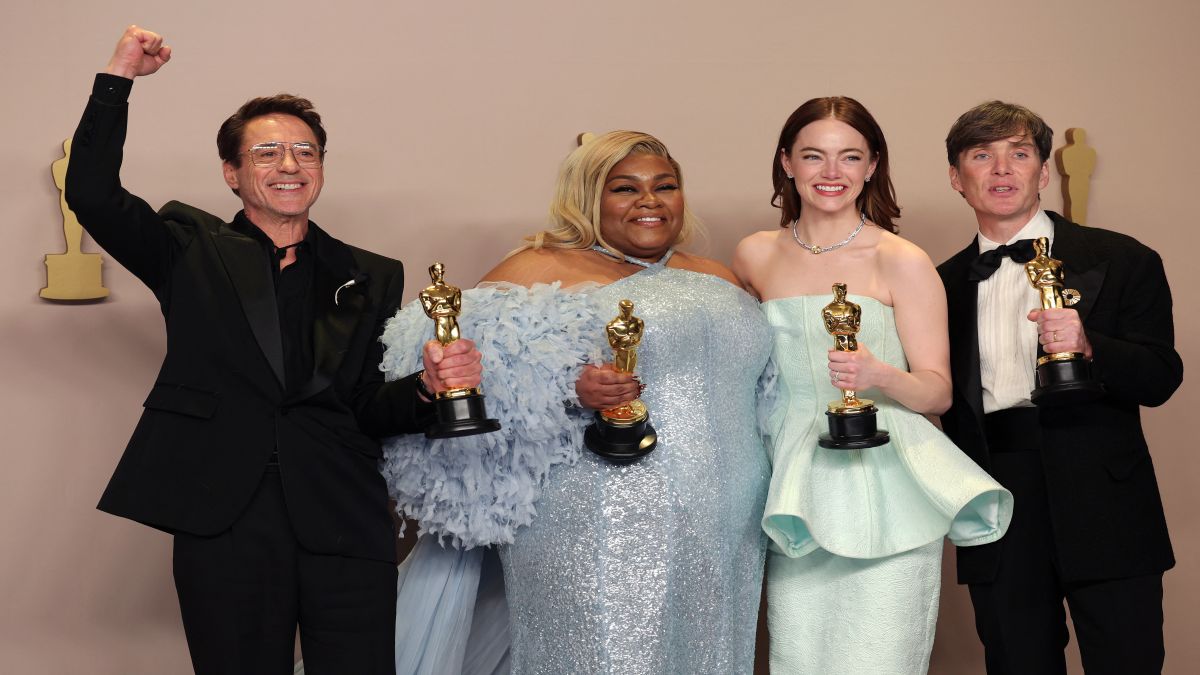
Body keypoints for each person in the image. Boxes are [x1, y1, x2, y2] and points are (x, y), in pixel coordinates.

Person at [64, 25, 482, 675]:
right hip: (223, 518)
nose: (289, 164)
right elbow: (91, 193)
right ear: (232, 172)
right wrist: (118, 78)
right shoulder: (187, 249)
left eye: (304, 151)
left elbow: (367, 405)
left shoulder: (372, 273)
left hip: (345, 519)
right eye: (268, 153)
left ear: (319, 167)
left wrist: (428, 389)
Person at [380, 130, 772, 674]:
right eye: (624, 188)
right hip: (593, 517)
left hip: (726, 517)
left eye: (665, 185)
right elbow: (457, 376)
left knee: (710, 653)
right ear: (588, 197)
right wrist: (567, 387)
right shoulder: (538, 268)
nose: (650, 201)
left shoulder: (715, 276)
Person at [733, 97, 1013, 673]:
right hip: (794, 482)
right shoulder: (754, 255)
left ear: (871, 165)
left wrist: (878, 375)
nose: (831, 174)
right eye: (814, 156)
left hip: (888, 481)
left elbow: (937, 392)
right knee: (800, 658)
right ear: (787, 162)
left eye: (850, 157)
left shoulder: (901, 259)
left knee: (879, 657)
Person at [938, 100, 1182, 675]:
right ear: (957, 178)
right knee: (1016, 662)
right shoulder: (937, 284)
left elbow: (1161, 377)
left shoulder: (1124, 259)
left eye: (1019, 154)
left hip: (1104, 494)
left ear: (1043, 172)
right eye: (982, 156)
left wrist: (1091, 343)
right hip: (995, 497)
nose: (1002, 171)